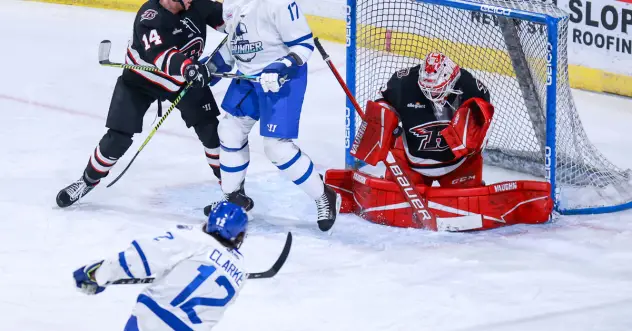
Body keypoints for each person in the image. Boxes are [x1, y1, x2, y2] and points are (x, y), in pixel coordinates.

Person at [324, 52, 553, 231]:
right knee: (393, 188)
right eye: (427, 90)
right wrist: (384, 120)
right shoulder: (403, 83)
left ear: (453, 79)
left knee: (469, 199)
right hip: (411, 161)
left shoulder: (472, 87)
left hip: (458, 164)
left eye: (439, 91)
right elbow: (383, 103)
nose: (433, 97)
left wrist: (469, 134)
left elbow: (479, 126)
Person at [56, 0, 225, 208]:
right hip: (140, 81)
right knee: (118, 138)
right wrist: (190, 68)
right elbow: (163, 56)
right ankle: (87, 181)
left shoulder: (197, 4)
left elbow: (235, 23)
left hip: (183, 82)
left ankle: (231, 190)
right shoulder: (150, 17)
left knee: (212, 132)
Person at [202, 0, 340, 232]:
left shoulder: (279, 3)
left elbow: (303, 45)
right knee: (230, 130)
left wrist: (281, 66)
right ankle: (234, 199)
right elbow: (235, 42)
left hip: (282, 79)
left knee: (277, 148)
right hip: (247, 78)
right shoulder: (233, 3)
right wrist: (210, 68)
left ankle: (323, 195)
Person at [73, 201, 248, 330]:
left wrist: (98, 274)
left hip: (150, 321)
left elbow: (141, 258)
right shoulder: (240, 273)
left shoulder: (193, 238)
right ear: (239, 235)